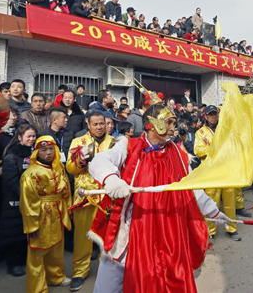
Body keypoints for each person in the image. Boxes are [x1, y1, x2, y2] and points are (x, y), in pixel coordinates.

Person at [88, 100, 227, 293]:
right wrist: (111, 179)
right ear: (151, 124)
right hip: (130, 228)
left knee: (165, 279)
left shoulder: (179, 154)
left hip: (166, 230)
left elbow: (192, 189)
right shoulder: (128, 145)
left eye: (173, 122)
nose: (173, 128)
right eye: (168, 122)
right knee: (109, 284)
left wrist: (213, 211)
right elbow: (99, 161)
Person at [65, 111, 114, 291]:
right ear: (88, 123)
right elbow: (70, 169)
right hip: (85, 196)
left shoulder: (114, 142)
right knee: (82, 237)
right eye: (95, 124)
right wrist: (80, 160)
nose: (100, 127)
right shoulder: (78, 142)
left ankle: (106, 270)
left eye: (102, 123)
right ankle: (80, 271)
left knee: (107, 236)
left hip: (108, 196)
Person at [20, 136, 72, 292]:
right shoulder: (30, 173)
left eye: (51, 149)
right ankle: (37, 288)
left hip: (58, 212)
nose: (48, 153)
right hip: (40, 215)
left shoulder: (59, 168)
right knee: (37, 252)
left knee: (56, 247)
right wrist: (31, 226)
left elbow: (67, 191)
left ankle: (56, 276)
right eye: (43, 150)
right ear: (37, 152)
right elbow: (27, 202)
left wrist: (68, 210)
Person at [195, 105, 245, 242]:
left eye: (215, 114)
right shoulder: (200, 133)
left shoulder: (226, 130)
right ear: (205, 116)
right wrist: (214, 150)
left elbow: (235, 146)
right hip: (211, 172)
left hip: (227, 170)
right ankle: (210, 231)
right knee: (212, 202)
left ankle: (231, 229)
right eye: (210, 114)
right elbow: (198, 150)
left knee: (229, 201)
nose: (213, 117)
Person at [0, 123, 37, 277]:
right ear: (20, 137)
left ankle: (24, 259)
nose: (32, 139)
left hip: (32, 198)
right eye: (28, 136)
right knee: (13, 231)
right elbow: (11, 179)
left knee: (25, 232)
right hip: (14, 199)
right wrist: (24, 195)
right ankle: (13, 263)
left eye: (33, 136)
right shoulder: (12, 155)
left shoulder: (35, 153)